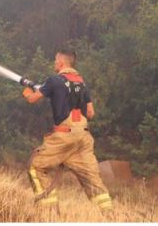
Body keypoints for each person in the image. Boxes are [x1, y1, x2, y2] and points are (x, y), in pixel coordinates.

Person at [21, 49, 112, 211]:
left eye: (55, 60)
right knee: (92, 180)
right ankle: (110, 215)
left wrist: (27, 91)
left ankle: (48, 213)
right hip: (83, 137)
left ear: (62, 62)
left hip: (64, 136)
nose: (54, 63)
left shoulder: (54, 80)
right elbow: (91, 113)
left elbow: (32, 99)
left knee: (36, 166)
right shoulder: (81, 82)